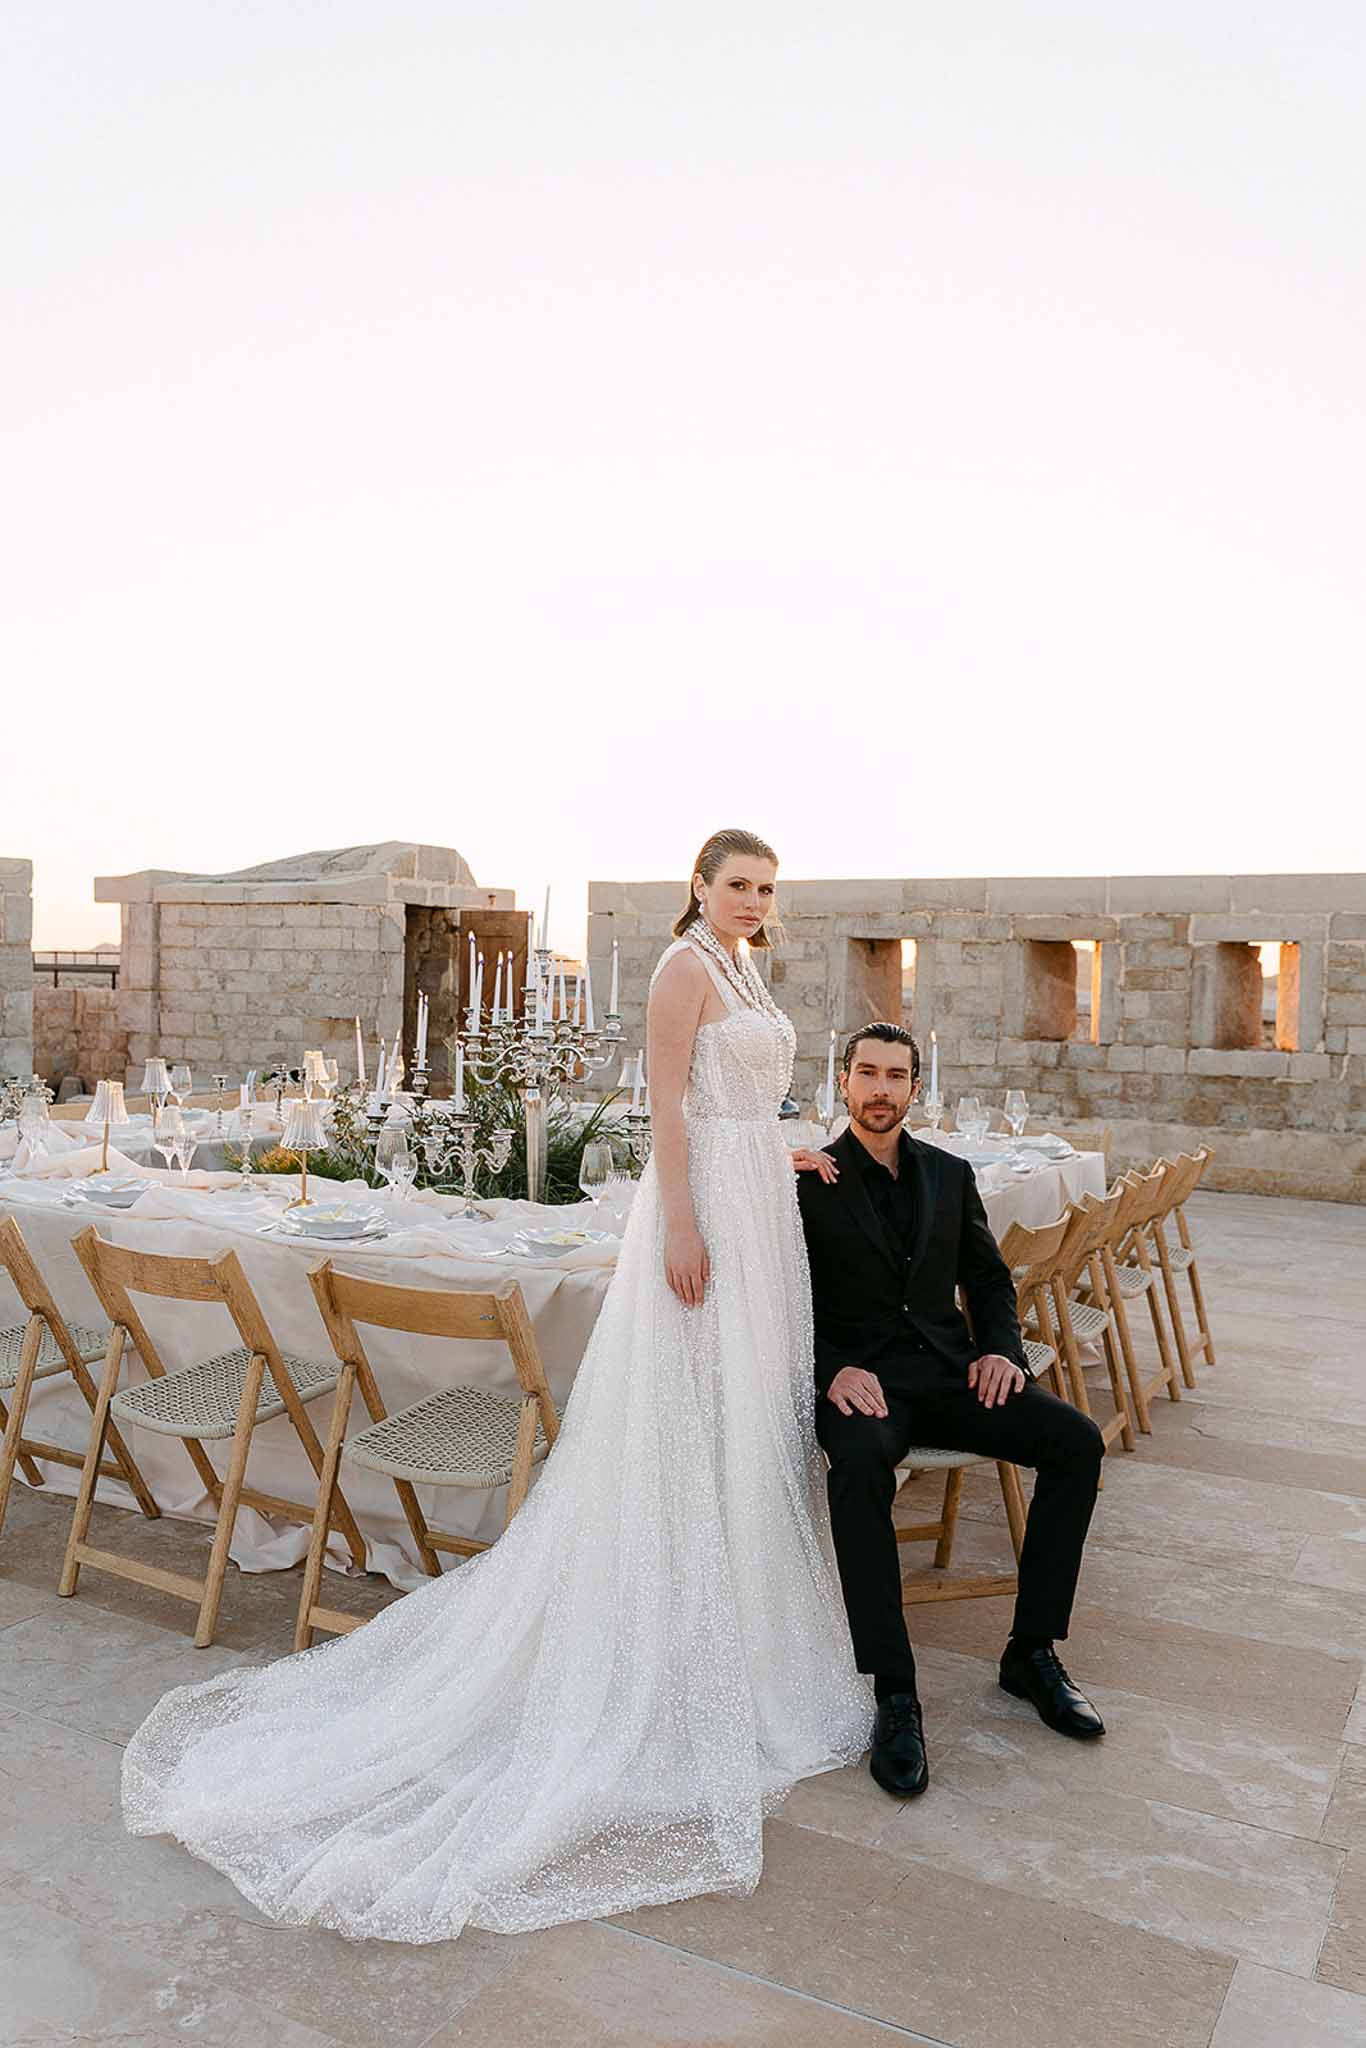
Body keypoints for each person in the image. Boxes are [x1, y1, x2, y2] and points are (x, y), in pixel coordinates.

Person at [119, 828, 872, 1944]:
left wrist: (785, 1153)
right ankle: (663, 1644)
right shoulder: (679, 967)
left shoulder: (743, 964)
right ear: (698, 888)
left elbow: (739, 1107)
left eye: (765, 888)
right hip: (702, 1209)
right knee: (686, 1417)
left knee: (741, 1422)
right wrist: (679, 1222)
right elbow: (665, 1111)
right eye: (737, 885)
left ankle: (746, 1630)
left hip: (755, 1205)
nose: (754, 901)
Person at [796, 1023, 1106, 1802]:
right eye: (866, 1074)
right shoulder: (806, 1180)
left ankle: (1030, 1653)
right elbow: (782, 1301)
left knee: (1075, 1442)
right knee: (860, 1466)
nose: (880, 1090)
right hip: (862, 1384)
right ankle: (894, 1694)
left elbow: (990, 1280)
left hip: (952, 1374)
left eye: (895, 1077)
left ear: (913, 1088)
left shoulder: (949, 1172)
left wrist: (1001, 1348)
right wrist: (830, 1370)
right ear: (843, 1083)